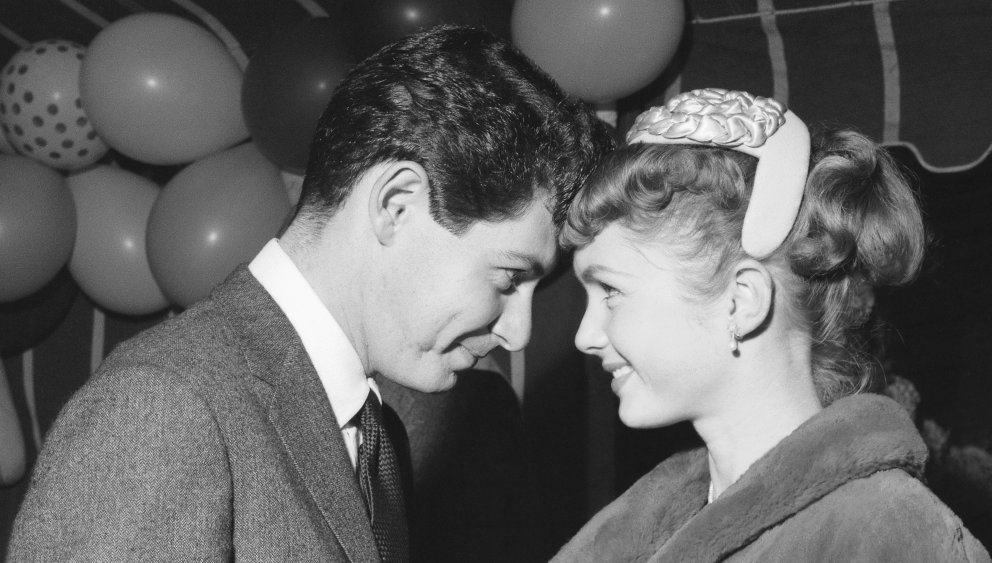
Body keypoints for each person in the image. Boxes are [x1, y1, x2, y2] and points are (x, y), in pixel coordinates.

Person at [7, 26, 614, 562]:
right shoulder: (162, 408)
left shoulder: (380, 427)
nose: (519, 330)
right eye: (509, 278)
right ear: (396, 204)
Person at [553, 88, 991, 561]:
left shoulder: (896, 540)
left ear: (742, 301)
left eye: (611, 292)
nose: (585, 336)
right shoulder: (628, 532)